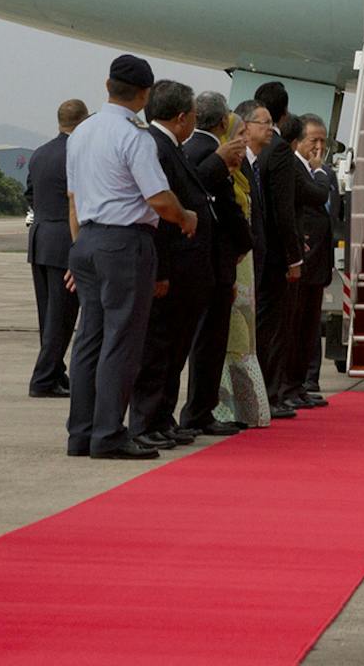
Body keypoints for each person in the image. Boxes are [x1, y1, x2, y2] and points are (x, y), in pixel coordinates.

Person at [62, 55, 193, 460]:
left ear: (107, 85)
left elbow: (72, 199)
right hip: (124, 243)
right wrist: (186, 216)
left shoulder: (81, 133)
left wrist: (78, 247)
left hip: (86, 240)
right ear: (145, 94)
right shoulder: (133, 137)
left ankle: (81, 433)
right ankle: (109, 434)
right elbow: (158, 199)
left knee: (89, 340)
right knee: (121, 342)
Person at [129, 79, 214, 451]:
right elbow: (160, 217)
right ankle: (146, 421)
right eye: (194, 113)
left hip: (188, 270)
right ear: (182, 117)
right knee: (159, 348)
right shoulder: (158, 148)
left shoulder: (172, 146)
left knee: (175, 348)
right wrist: (161, 271)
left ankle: (163, 417)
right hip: (173, 269)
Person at [179, 93, 251, 436]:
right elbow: (226, 208)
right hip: (213, 261)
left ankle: (198, 411)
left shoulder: (188, 150)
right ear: (223, 122)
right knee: (209, 342)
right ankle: (198, 412)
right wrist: (245, 243)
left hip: (203, 260)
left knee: (202, 341)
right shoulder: (212, 155)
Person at [213, 100, 275, 428]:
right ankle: (224, 407)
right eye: (237, 134)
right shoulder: (225, 173)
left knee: (244, 337)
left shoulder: (245, 171)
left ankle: (245, 407)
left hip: (246, 262)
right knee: (232, 338)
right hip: (234, 263)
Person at [250, 82, 307, 418]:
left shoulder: (256, 150)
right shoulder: (281, 149)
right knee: (274, 328)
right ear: (283, 115)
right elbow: (284, 210)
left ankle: (263, 393)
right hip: (275, 255)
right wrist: (294, 255)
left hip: (261, 249)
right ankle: (270, 394)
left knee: (262, 325)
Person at [26, 99, 87, 399]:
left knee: (47, 314)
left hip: (40, 239)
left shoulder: (40, 153)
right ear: (83, 121)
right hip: (65, 241)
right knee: (62, 317)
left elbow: (29, 193)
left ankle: (55, 372)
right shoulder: (78, 153)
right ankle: (43, 378)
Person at [287, 114, 333, 408]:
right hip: (302, 259)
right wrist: (318, 172)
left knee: (310, 326)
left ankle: (305, 382)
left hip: (319, 262)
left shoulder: (321, 172)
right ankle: (292, 384)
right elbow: (315, 198)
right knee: (296, 324)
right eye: (313, 140)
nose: (319, 147)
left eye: (323, 141)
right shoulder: (300, 170)